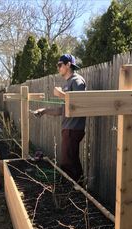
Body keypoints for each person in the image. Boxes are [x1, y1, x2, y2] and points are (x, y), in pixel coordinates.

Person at [34, 54, 86, 182]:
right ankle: (78, 187)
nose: (58, 68)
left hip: (74, 129)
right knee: (72, 160)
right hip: (68, 128)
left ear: (68, 65)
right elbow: (62, 110)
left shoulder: (77, 81)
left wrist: (61, 94)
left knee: (68, 163)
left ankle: (71, 190)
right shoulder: (68, 83)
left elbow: (79, 103)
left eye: (60, 65)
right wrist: (44, 110)